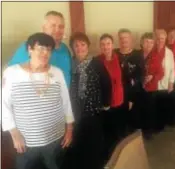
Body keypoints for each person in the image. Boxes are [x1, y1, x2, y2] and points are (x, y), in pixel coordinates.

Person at [2, 32, 74, 169]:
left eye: (48, 49)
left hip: (55, 138)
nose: (45, 53)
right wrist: (14, 133)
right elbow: (4, 105)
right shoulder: (12, 73)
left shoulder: (57, 72)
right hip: (26, 141)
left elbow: (66, 101)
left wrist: (69, 129)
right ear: (30, 49)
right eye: (40, 48)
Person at [69, 32, 111, 169]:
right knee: (79, 142)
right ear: (72, 48)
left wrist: (106, 104)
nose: (80, 48)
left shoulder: (96, 63)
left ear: (88, 46)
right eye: (76, 45)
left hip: (94, 112)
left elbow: (107, 83)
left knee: (94, 143)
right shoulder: (70, 65)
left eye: (83, 44)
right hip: (75, 113)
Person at [7, 11, 72, 87]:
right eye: (53, 26)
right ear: (44, 28)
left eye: (61, 27)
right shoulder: (30, 47)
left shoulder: (65, 49)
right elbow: (10, 77)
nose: (57, 30)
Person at [98, 33, 126, 163]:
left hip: (120, 100)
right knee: (108, 130)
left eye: (108, 44)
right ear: (100, 47)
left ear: (112, 45)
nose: (106, 47)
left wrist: (129, 98)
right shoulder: (97, 61)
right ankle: (109, 157)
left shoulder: (119, 59)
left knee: (119, 129)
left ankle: (119, 155)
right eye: (103, 44)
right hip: (106, 103)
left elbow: (125, 79)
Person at [143, 29, 175, 137]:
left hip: (164, 84)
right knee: (153, 106)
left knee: (162, 105)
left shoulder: (169, 52)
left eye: (162, 38)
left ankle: (160, 126)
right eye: (158, 38)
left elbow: (172, 69)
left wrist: (171, 82)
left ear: (165, 39)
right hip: (152, 85)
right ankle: (152, 126)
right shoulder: (151, 51)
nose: (160, 40)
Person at [115, 28, 142, 132]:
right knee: (120, 121)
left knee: (134, 122)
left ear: (131, 39)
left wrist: (132, 98)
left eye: (126, 38)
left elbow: (141, 74)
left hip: (134, 93)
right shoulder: (114, 53)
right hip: (119, 93)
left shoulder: (138, 54)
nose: (124, 40)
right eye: (121, 38)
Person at [137, 32, 155, 131]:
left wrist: (153, 76)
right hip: (138, 86)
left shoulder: (156, 56)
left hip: (151, 87)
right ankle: (139, 129)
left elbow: (160, 71)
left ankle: (148, 130)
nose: (149, 45)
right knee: (139, 108)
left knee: (149, 108)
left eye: (151, 42)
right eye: (146, 42)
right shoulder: (136, 54)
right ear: (141, 42)